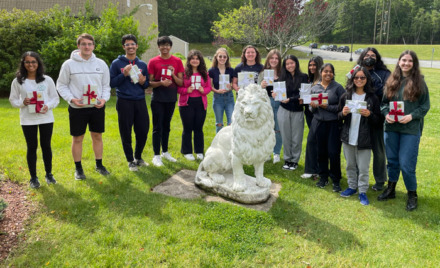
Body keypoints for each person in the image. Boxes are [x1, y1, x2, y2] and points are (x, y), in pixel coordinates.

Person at [378, 50, 430, 211]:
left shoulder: (419, 82)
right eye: (403, 60)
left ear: (414, 64)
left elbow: (425, 106)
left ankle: (412, 194)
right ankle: (391, 189)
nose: (406, 63)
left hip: (410, 129)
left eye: (409, 61)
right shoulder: (391, 81)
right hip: (391, 128)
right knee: (392, 161)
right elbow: (383, 103)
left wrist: (412, 116)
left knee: (407, 164)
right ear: (399, 62)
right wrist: (386, 114)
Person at [57, 33, 111, 180]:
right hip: (77, 108)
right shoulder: (68, 64)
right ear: (78, 46)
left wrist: (104, 99)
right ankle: (78, 169)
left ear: (93, 46)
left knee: (97, 136)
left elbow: (106, 86)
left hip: (97, 108)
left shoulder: (101, 64)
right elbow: (61, 85)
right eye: (83, 44)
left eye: (89, 44)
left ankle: (99, 165)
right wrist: (72, 99)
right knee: (78, 138)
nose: (87, 47)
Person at [9, 51, 60, 188]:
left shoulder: (47, 79)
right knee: (32, 147)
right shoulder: (18, 81)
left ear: (38, 63)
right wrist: (22, 103)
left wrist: (47, 106)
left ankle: (49, 174)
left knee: (46, 146)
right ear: (23, 63)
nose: (30, 64)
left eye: (33, 62)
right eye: (27, 62)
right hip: (27, 119)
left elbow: (55, 98)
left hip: (46, 118)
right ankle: (33, 178)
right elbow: (13, 100)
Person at [338, 67, 381, 205]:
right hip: (348, 136)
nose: (359, 80)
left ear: (367, 79)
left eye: (362, 77)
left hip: (365, 138)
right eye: (356, 77)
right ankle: (352, 187)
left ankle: (362, 191)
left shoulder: (372, 98)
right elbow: (338, 116)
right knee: (350, 165)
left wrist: (370, 115)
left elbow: (379, 120)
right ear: (353, 79)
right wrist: (343, 114)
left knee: (363, 168)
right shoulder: (346, 96)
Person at [110, 34, 150, 172]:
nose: (130, 46)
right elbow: (111, 83)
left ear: (137, 46)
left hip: (140, 100)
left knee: (143, 130)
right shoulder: (117, 63)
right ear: (124, 47)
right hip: (124, 101)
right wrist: (124, 74)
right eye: (127, 44)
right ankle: (130, 160)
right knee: (126, 131)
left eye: (133, 44)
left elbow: (146, 84)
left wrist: (144, 82)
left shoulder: (142, 64)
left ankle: (138, 157)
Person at [357, 47, 390, 191]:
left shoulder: (384, 73)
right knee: (359, 148)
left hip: (377, 117)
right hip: (359, 116)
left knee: (379, 151)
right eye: (367, 55)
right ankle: (358, 177)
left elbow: (388, 92)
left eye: (372, 55)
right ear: (362, 57)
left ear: (377, 58)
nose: (369, 57)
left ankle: (380, 180)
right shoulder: (356, 71)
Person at [147, 36, 184, 167]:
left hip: (171, 98)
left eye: (167, 45)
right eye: (162, 45)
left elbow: (181, 82)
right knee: (157, 127)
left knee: (166, 126)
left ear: (170, 47)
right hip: (157, 98)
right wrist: (161, 83)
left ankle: (165, 152)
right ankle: (156, 155)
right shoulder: (153, 61)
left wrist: (173, 75)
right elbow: (148, 83)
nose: (165, 47)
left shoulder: (177, 61)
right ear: (158, 47)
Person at [310, 63, 345, 192]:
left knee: (333, 152)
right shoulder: (315, 88)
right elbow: (311, 109)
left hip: (333, 124)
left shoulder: (338, 88)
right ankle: (323, 177)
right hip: (319, 123)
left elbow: (341, 108)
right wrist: (313, 107)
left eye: (330, 71)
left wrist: (327, 107)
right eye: (325, 71)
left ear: (333, 74)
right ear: (321, 72)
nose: (328, 74)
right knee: (321, 152)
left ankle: (336, 180)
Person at [177, 50, 212, 160]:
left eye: (197, 59)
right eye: (193, 58)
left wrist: (204, 90)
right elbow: (178, 88)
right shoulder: (184, 74)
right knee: (187, 128)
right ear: (189, 60)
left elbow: (209, 87)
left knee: (198, 128)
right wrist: (186, 90)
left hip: (200, 103)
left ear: (200, 60)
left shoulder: (204, 74)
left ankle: (199, 151)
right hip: (186, 103)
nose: (195, 60)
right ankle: (187, 151)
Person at [275, 55, 308, 170]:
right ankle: (287, 159)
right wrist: (274, 94)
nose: (289, 66)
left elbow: (304, 94)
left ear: (296, 63)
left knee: (296, 137)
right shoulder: (282, 78)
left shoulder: (304, 77)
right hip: (284, 110)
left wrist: (291, 99)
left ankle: (294, 160)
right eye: (287, 64)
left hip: (298, 111)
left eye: (291, 63)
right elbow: (275, 91)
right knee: (286, 136)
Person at [258, 49, 283, 163]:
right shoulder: (263, 73)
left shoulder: (283, 73)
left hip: (280, 103)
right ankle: (266, 152)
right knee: (266, 128)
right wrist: (261, 85)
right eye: (271, 58)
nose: (274, 60)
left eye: (276, 58)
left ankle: (276, 153)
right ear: (268, 59)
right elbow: (257, 90)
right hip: (266, 103)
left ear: (279, 60)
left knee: (277, 129)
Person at [302, 56, 324, 179]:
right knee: (314, 140)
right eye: (310, 65)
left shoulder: (322, 81)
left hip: (319, 114)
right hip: (309, 113)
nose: (312, 67)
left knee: (314, 140)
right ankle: (315, 169)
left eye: (314, 65)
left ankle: (315, 169)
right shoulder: (309, 79)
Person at [208, 48, 235, 133]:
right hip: (218, 98)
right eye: (220, 56)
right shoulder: (212, 70)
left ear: (227, 58)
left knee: (231, 123)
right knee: (219, 123)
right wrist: (217, 91)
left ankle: (231, 143)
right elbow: (210, 86)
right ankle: (218, 144)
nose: (222, 58)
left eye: (224, 57)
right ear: (216, 57)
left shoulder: (231, 70)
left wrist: (230, 87)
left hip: (229, 98)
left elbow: (233, 85)